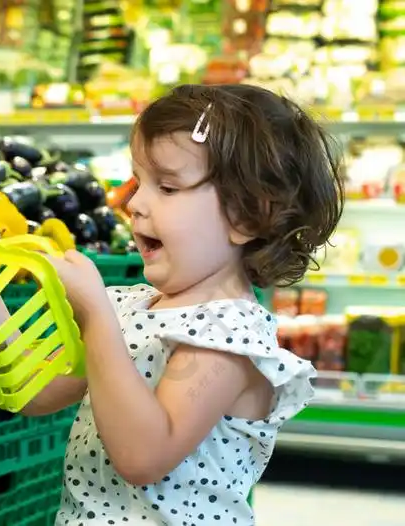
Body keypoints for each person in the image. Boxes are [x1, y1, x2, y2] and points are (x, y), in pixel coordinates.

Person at [22, 84, 345, 525]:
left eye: (168, 187)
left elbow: (143, 457)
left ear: (246, 216)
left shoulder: (227, 336)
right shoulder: (132, 307)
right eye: (139, 182)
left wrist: (95, 318)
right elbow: (39, 392)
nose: (134, 204)